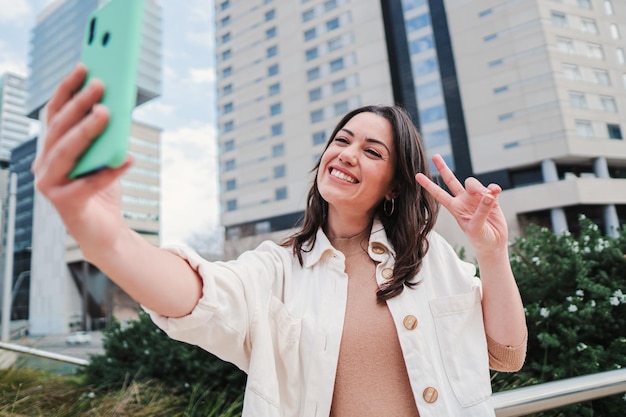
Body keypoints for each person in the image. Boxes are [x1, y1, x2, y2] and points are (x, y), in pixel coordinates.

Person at [33, 63, 527, 417]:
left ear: (395, 185)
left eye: (372, 151)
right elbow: (202, 295)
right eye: (342, 140)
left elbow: (506, 354)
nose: (348, 153)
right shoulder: (277, 267)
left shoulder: (428, 260)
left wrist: (491, 252)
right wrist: (109, 241)